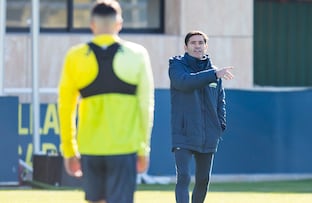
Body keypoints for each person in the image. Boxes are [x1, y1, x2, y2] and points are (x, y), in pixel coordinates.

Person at [57, 0, 154, 202]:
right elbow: (146, 106)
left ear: (92, 24)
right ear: (119, 24)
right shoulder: (137, 55)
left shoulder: (75, 56)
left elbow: (65, 108)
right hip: (124, 148)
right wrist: (143, 149)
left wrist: (69, 150)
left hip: (90, 149)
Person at [168, 31, 234, 203]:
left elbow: (220, 101)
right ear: (186, 47)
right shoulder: (176, 66)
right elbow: (185, 82)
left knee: (203, 180)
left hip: (209, 134)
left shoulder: (214, 72)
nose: (197, 46)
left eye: (200, 42)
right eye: (193, 43)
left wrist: (220, 125)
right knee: (183, 177)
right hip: (184, 132)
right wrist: (214, 74)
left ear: (206, 46)